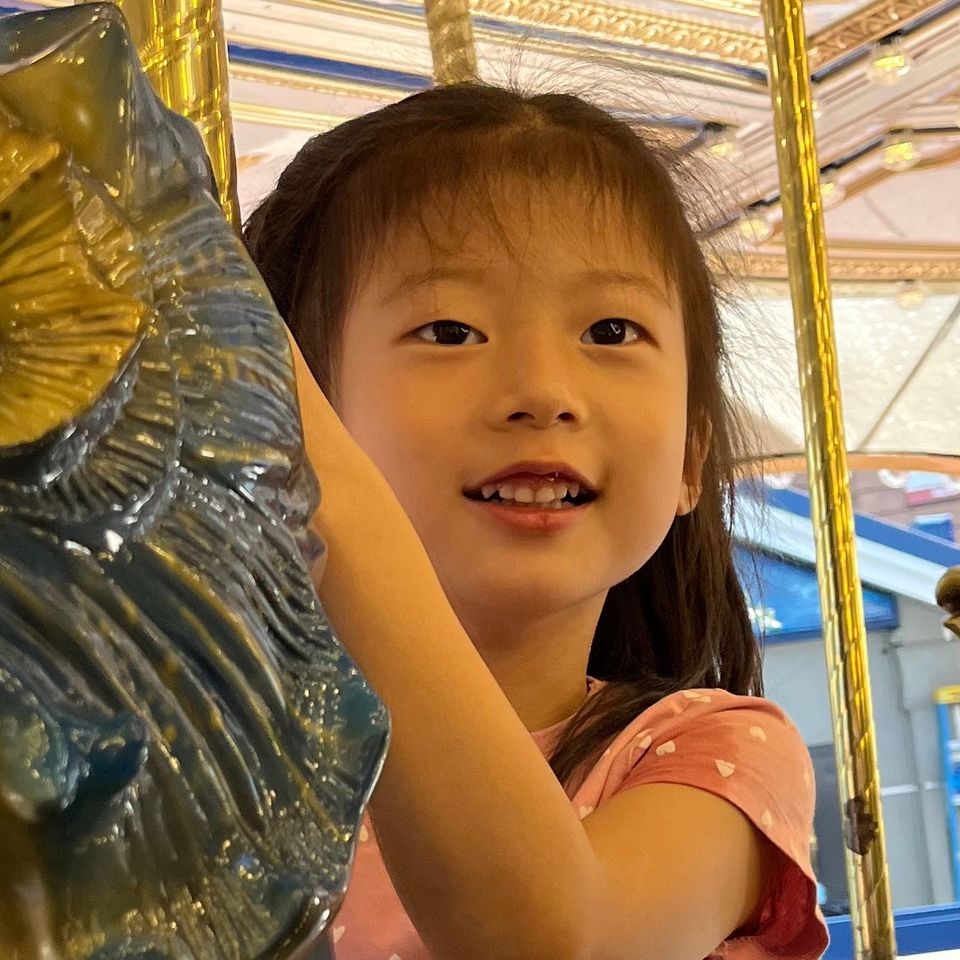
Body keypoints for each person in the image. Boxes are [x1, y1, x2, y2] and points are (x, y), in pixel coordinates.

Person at [243, 82, 831, 960]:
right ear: (307, 406)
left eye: (611, 331)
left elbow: (557, 941)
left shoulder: (711, 757)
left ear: (690, 456)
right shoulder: (225, 758)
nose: (544, 394)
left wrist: (338, 499)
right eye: (449, 331)